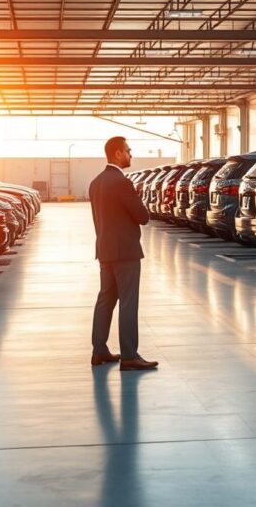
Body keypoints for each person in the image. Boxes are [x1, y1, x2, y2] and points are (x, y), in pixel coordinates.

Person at [88, 136, 158, 371]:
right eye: (128, 150)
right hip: (125, 251)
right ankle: (129, 355)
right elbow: (143, 216)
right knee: (128, 301)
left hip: (105, 250)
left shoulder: (96, 182)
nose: (131, 154)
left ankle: (99, 350)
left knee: (105, 299)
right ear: (118, 153)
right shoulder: (121, 182)